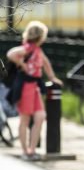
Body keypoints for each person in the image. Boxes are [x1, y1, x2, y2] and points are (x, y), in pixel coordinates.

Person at [6, 21, 62, 161]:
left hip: (35, 88)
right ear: (40, 36)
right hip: (26, 87)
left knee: (40, 116)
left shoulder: (37, 49)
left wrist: (52, 77)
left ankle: (31, 149)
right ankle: (26, 151)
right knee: (25, 119)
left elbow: (46, 63)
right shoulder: (28, 48)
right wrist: (22, 64)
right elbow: (11, 54)